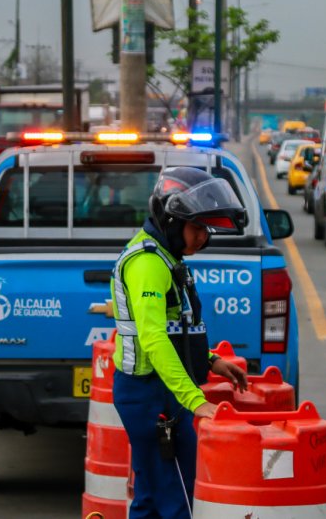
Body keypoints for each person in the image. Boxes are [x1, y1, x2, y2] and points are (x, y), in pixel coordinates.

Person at [110, 167, 249, 519]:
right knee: (177, 501)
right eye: (197, 228)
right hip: (148, 393)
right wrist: (195, 401)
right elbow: (154, 340)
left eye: (206, 229)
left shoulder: (166, 258)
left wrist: (211, 360)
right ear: (172, 222)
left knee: (151, 499)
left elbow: (177, 327)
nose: (203, 237)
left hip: (158, 391)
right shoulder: (148, 265)